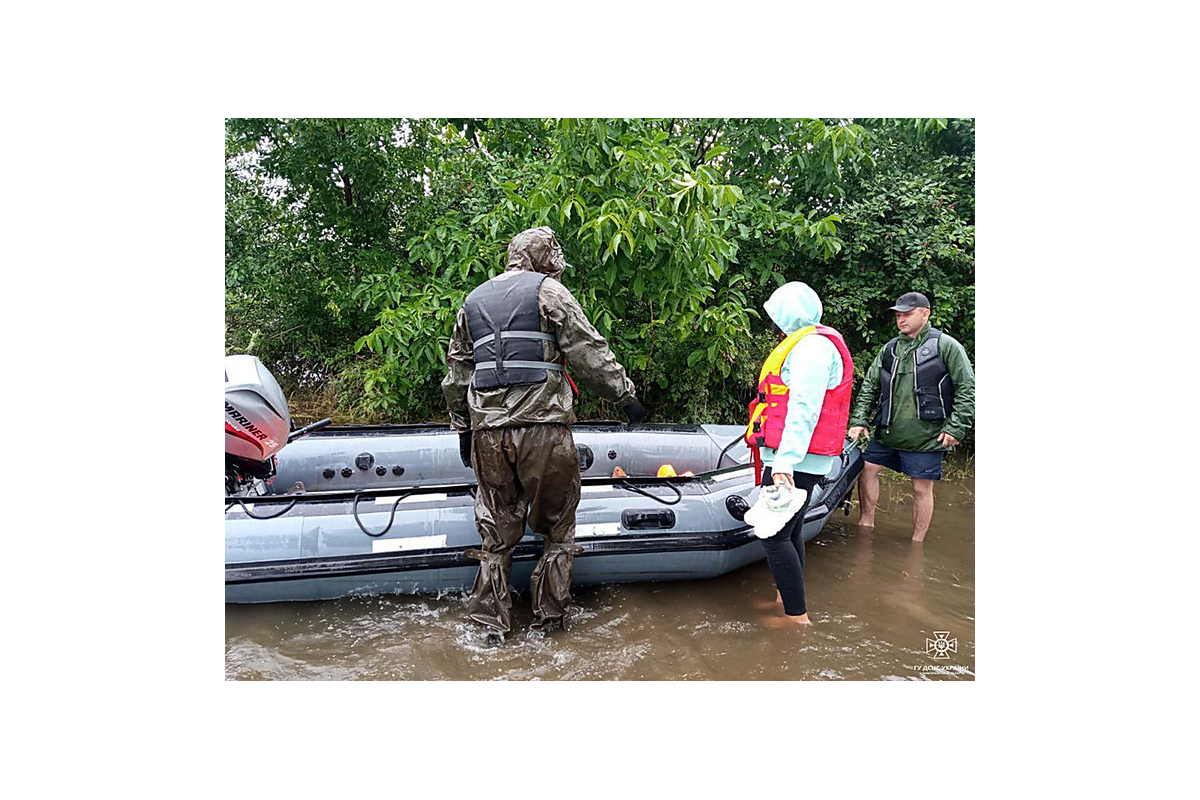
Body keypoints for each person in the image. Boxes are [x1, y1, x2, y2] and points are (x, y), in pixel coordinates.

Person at [442, 226, 644, 640]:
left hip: (488, 433)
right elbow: (589, 351)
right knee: (556, 527)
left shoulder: (473, 300)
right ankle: (547, 624)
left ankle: (488, 628)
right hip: (543, 429)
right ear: (544, 260)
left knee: (496, 529)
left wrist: (462, 428)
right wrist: (626, 397)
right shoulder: (549, 292)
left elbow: (456, 373)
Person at [745, 281, 854, 626]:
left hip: (796, 459)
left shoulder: (813, 349)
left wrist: (785, 463)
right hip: (796, 457)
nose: (776, 323)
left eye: (779, 315)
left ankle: (797, 618)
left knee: (773, 535)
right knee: (789, 533)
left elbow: (805, 408)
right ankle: (785, 602)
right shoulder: (808, 343)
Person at [847, 292, 975, 542]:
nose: (901, 319)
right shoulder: (889, 349)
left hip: (926, 435)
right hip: (888, 430)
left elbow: (967, 388)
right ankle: (866, 524)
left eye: (907, 314)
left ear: (925, 314)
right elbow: (870, 386)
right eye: (898, 315)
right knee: (868, 469)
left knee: (920, 487)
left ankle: (917, 543)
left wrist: (956, 428)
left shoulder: (947, 346)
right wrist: (859, 419)